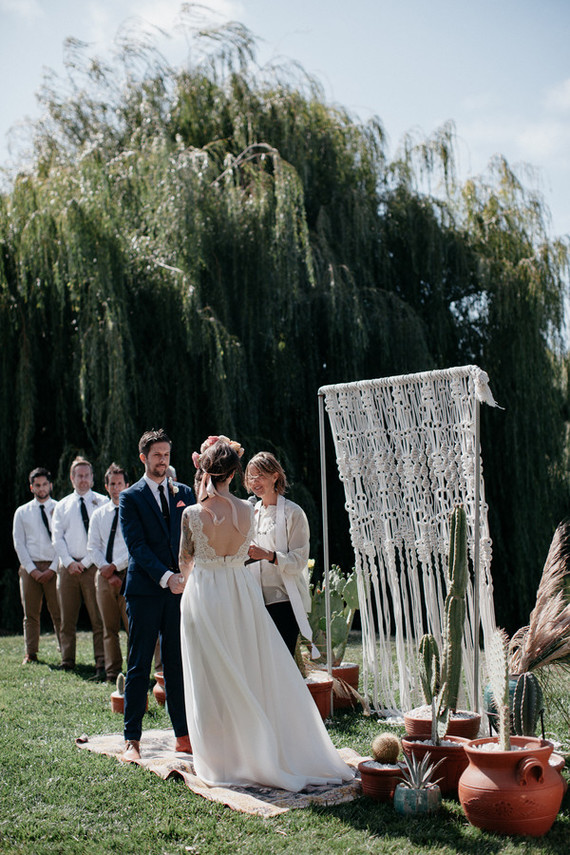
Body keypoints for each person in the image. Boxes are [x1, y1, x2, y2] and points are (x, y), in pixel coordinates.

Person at [179, 436, 354, 791]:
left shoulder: (194, 514)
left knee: (210, 674)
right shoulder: (248, 510)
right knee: (247, 667)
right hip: (242, 593)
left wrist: (187, 584)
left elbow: (187, 560)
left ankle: (221, 757)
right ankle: (255, 745)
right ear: (235, 474)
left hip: (209, 592)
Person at [119, 428, 195, 762]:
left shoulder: (185, 492)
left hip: (180, 592)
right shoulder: (130, 497)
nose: (162, 460)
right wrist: (167, 578)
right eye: (156, 455)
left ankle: (183, 735)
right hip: (145, 592)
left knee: (177, 664)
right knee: (138, 665)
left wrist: (186, 577)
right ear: (143, 458)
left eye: (166, 454)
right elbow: (136, 546)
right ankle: (131, 738)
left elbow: (192, 538)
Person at [245, 452, 313, 656]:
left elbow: (299, 560)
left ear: (275, 476)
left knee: (282, 663)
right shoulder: (248, 511)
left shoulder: (293, 513)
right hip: (253, 601)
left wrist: (268, 555)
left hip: (283, 600)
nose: (255, 482)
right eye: (251, 477)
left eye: (261, 476)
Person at [51, 456, 107, 676]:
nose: (83, 480)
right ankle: (67, 660)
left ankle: (101, 661)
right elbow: (57, 537)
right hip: (68, 568)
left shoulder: (102, 503)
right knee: (67, 618)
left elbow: (102, 538)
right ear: (72, 478)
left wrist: (86, 563)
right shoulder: (63, 505)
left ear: (92, 478)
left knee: (98, 617)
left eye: (86, 476)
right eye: (79, 476)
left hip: (93, 567)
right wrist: (69, 562)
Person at [12, 467, 62, 664]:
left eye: (44, 484)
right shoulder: (22, 512)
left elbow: (62, 540)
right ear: (32, 487)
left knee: (59, 612)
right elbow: (19, 543)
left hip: (54, 567)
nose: (41, 488)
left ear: (50, 485)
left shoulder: (60, 508)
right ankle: (31, 654)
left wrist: (52, 567)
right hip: (30, 567)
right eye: (37, 485)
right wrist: (32, 569)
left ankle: (65, 651)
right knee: (30, 614)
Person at [86, 463, 130, 682]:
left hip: (128, 576)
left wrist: (116, 567)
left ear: (127, 485)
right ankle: (112, 673)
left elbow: (134, 546)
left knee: (132, 627)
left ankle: (134, 673)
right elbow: (92, 547)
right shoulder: (98, 514)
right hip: (103, 577)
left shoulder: (133, 512)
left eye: (119, 483)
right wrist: (106, 569)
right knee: (108, 627)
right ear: (106, 486)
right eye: (112, 484)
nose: (115, 488)